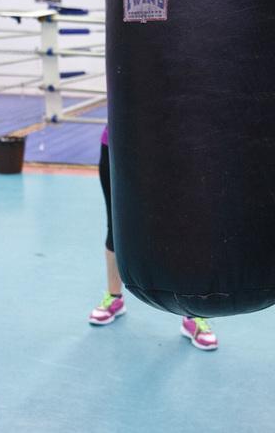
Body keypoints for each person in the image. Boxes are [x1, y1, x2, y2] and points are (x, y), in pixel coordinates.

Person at [88, 125, 219, 350]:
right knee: (115, 226)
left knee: (187, 231)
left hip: (176, 150)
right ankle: (114, 298)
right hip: (118, 146)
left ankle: (194, 314)